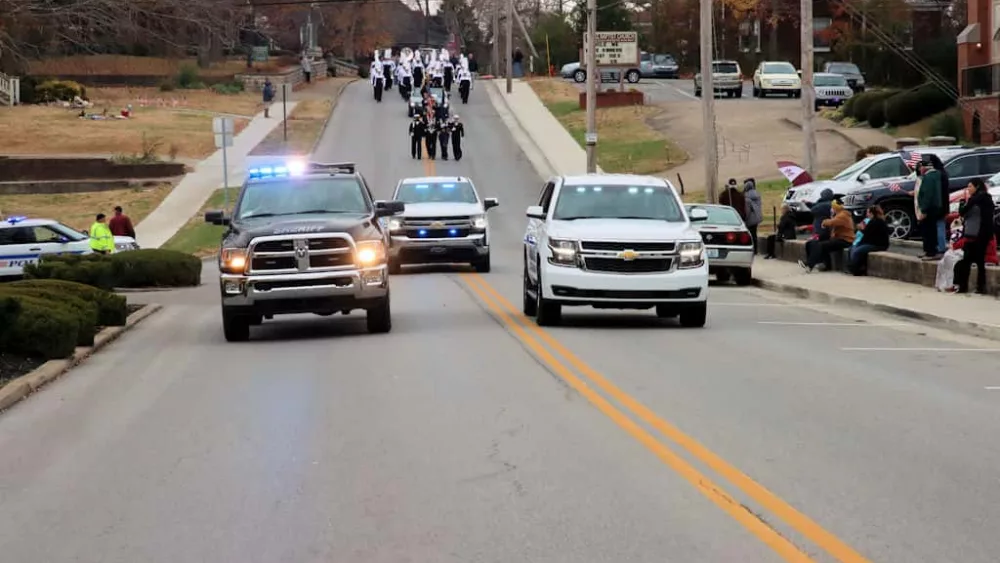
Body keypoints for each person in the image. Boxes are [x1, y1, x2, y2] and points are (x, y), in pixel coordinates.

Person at [954, 178, 996, 294]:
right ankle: (979, 287)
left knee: (968, 261)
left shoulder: (976, 199)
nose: (968, 189)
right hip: (983, 234)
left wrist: (962, 203)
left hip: (975, 235)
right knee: (979, 262)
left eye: (970, 186)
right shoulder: (987, 198)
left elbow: (963, 212)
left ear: (976, 187)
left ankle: (964, 287)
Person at [799, 200, 854, 272]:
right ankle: (824, 264)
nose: (831, 209)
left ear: (835, 208)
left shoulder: (843, 215)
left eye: (832, 207)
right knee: (811, 243)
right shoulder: (838, 215)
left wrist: (824, 222)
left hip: (845, 240)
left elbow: (831, 222)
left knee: (821, 245)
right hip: (837, 238)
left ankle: (809, 264)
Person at [846, 205, 890, 276]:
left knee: (858, 251)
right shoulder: (872, 221)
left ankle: (855, 269)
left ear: (872, 213)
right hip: (871, 243)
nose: (866, 214)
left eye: (868, 212)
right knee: (852, 248)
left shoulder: (877, 222)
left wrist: (861, 228)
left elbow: (867, 233)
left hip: (878, 245)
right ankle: (852, 267)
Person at [915, 158, 944, 260]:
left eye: (921, 167)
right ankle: (928, 251)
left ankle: (931, 252)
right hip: (935, 208)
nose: (920, 169)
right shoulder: (936, 175)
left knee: (929, 231)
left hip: (929, 209)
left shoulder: (929, 177)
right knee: (930, 230)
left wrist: (924, 210)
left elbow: (928, 194)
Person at [936, 219, 966, 292]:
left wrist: (955, 246)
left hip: (959, 251)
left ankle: (949, 285)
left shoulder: (963, 232)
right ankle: (941, 284)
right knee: (941, 263)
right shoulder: (954, 233)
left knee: (949, 262)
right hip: (953, 251)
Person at [742, 178, 763, 252]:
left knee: (749, 234)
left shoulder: (746, 196)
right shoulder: (757, 194)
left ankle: (751, 249)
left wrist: (745, 218)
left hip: (750, 218)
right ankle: (756, 249)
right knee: (754, 234)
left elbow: (747, 209)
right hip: (757, 217)